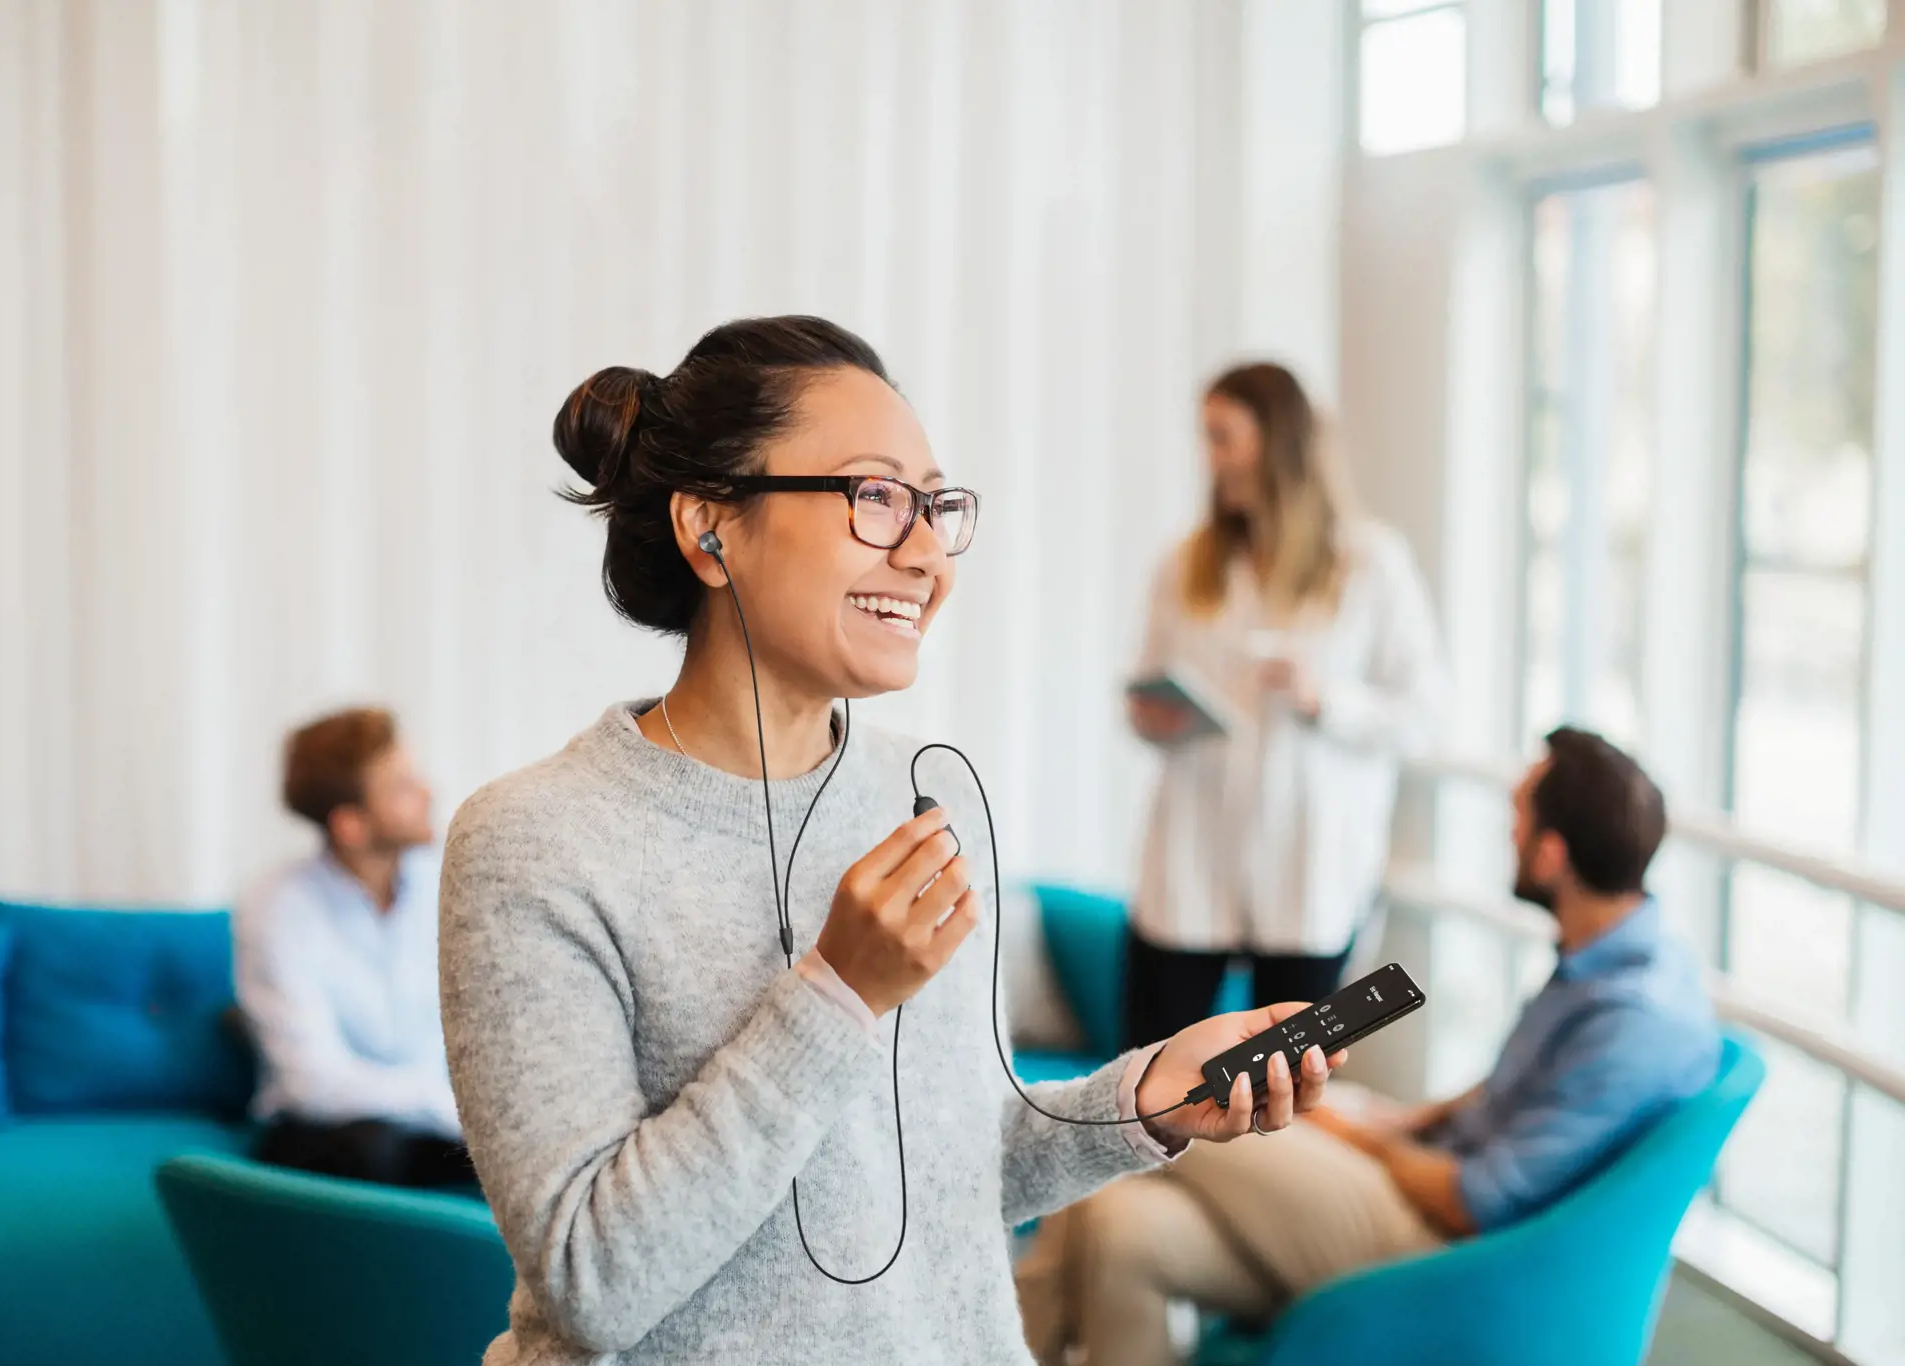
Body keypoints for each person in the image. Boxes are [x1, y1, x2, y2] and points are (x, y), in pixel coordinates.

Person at [436, 317, 1346, 1365]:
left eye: (935, 506)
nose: (925, 557)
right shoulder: (534, 845)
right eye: (874, 498)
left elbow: (960, 1170)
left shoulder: (927, 796)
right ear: (709, 528)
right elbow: (594, 1279)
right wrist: (837, 992)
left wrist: (1143, 1098)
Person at [1015, 727, 1722, 1366]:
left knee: (1148, 1114)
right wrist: (1401, 1121)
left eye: (1518, 816)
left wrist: (1355, 1136)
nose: (1507, 832)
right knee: (1118, 1228)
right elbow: (1521, 1093)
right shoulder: (1624, 959)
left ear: (1552, 853)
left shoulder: (1630, 1020)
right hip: (1434, 1193)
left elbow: (1472, 1201)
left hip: (1450, 1256)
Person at [1124, 361, 1446, 1047]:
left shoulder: (1371, 565)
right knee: (1150, 1073)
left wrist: (1323, 700)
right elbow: (1145, 685)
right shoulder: (1186, 564)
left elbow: (1422, 718)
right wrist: (1153, 717)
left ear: (1277, 441)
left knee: (1290, 1086)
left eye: (1223, 437)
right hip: (1191, 862)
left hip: (1312, 877)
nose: (1209, 458)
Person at [233, 706, 471, 1188]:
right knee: (374, 1151)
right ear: (351, 825)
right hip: (323, 1125)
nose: (427, 793)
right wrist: (444, 1107)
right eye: (403, 787)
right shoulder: (277, 907)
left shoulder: (447, 880)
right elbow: (314, 1081)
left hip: (437, 1120)